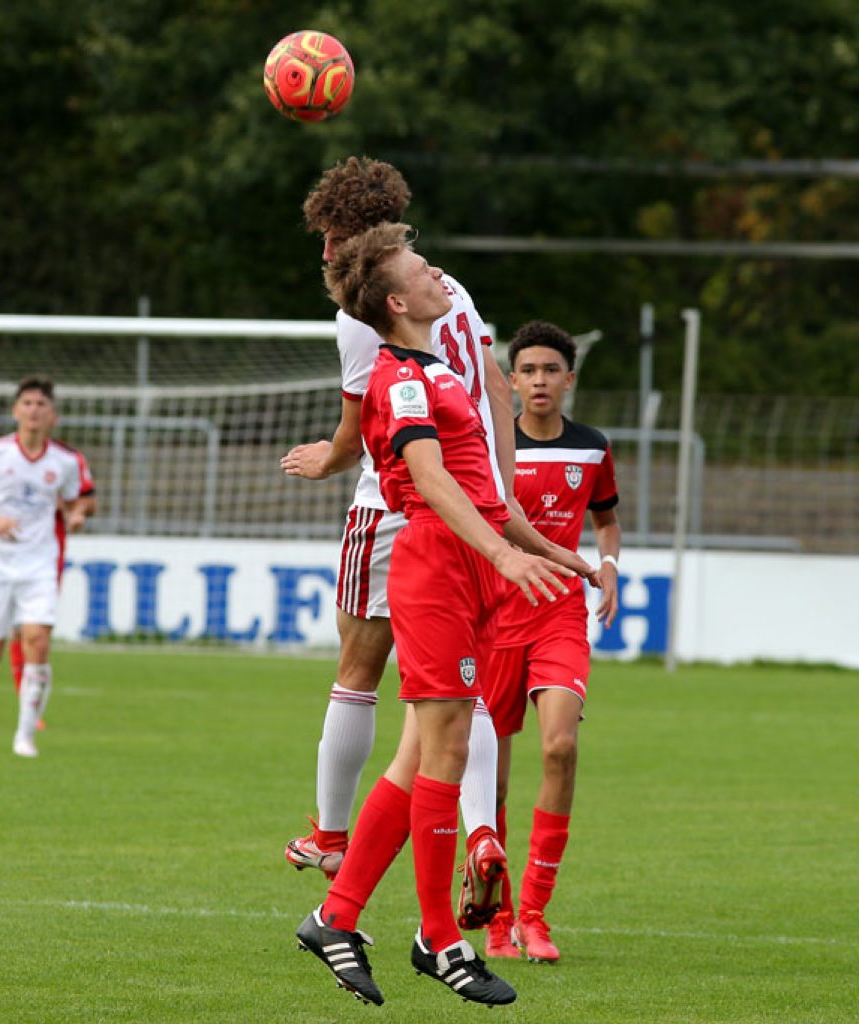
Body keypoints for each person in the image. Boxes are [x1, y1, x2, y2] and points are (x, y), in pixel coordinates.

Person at [295, 223, 598, 1007]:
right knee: (446, 752)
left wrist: (552, 552)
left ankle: (337, 916)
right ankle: (437, 936)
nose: (437, 273)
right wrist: (502, 553)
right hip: (437, 569)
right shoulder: (401, 377)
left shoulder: (441, 368)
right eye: (421, 268)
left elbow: (485, 491)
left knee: (420, 758)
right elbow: (430, 479)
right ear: (397, 302)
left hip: (470, 567)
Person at [481, 320, 621, 962]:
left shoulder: (592, 448)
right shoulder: (490, 447)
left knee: (561, 747)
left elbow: (606, 518)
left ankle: (534, 916)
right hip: (493, 619)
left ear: (570, 378)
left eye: (551, 370)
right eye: (529, 371)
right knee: (492, 785)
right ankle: (497, 916)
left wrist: (609, 564)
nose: (540, 381)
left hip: (559, 613)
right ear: (512, 381)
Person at [0, 376, 91, 758]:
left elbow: (79, 500)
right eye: (27, 403)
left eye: (41, 404)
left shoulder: (65, 461)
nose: (34, 410)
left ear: (53, 416)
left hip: (39, 564)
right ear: (16, 411)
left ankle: (24, 736)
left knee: (38, 641)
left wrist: (77, 514)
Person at [8, 442, 96, 725]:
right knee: (8, 633)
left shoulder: (69, 459)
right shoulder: (1, 454)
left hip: (45, 556)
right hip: (5, 552)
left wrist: (76, 512)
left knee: (35, 630)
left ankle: (28, 707)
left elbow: (87, 500)